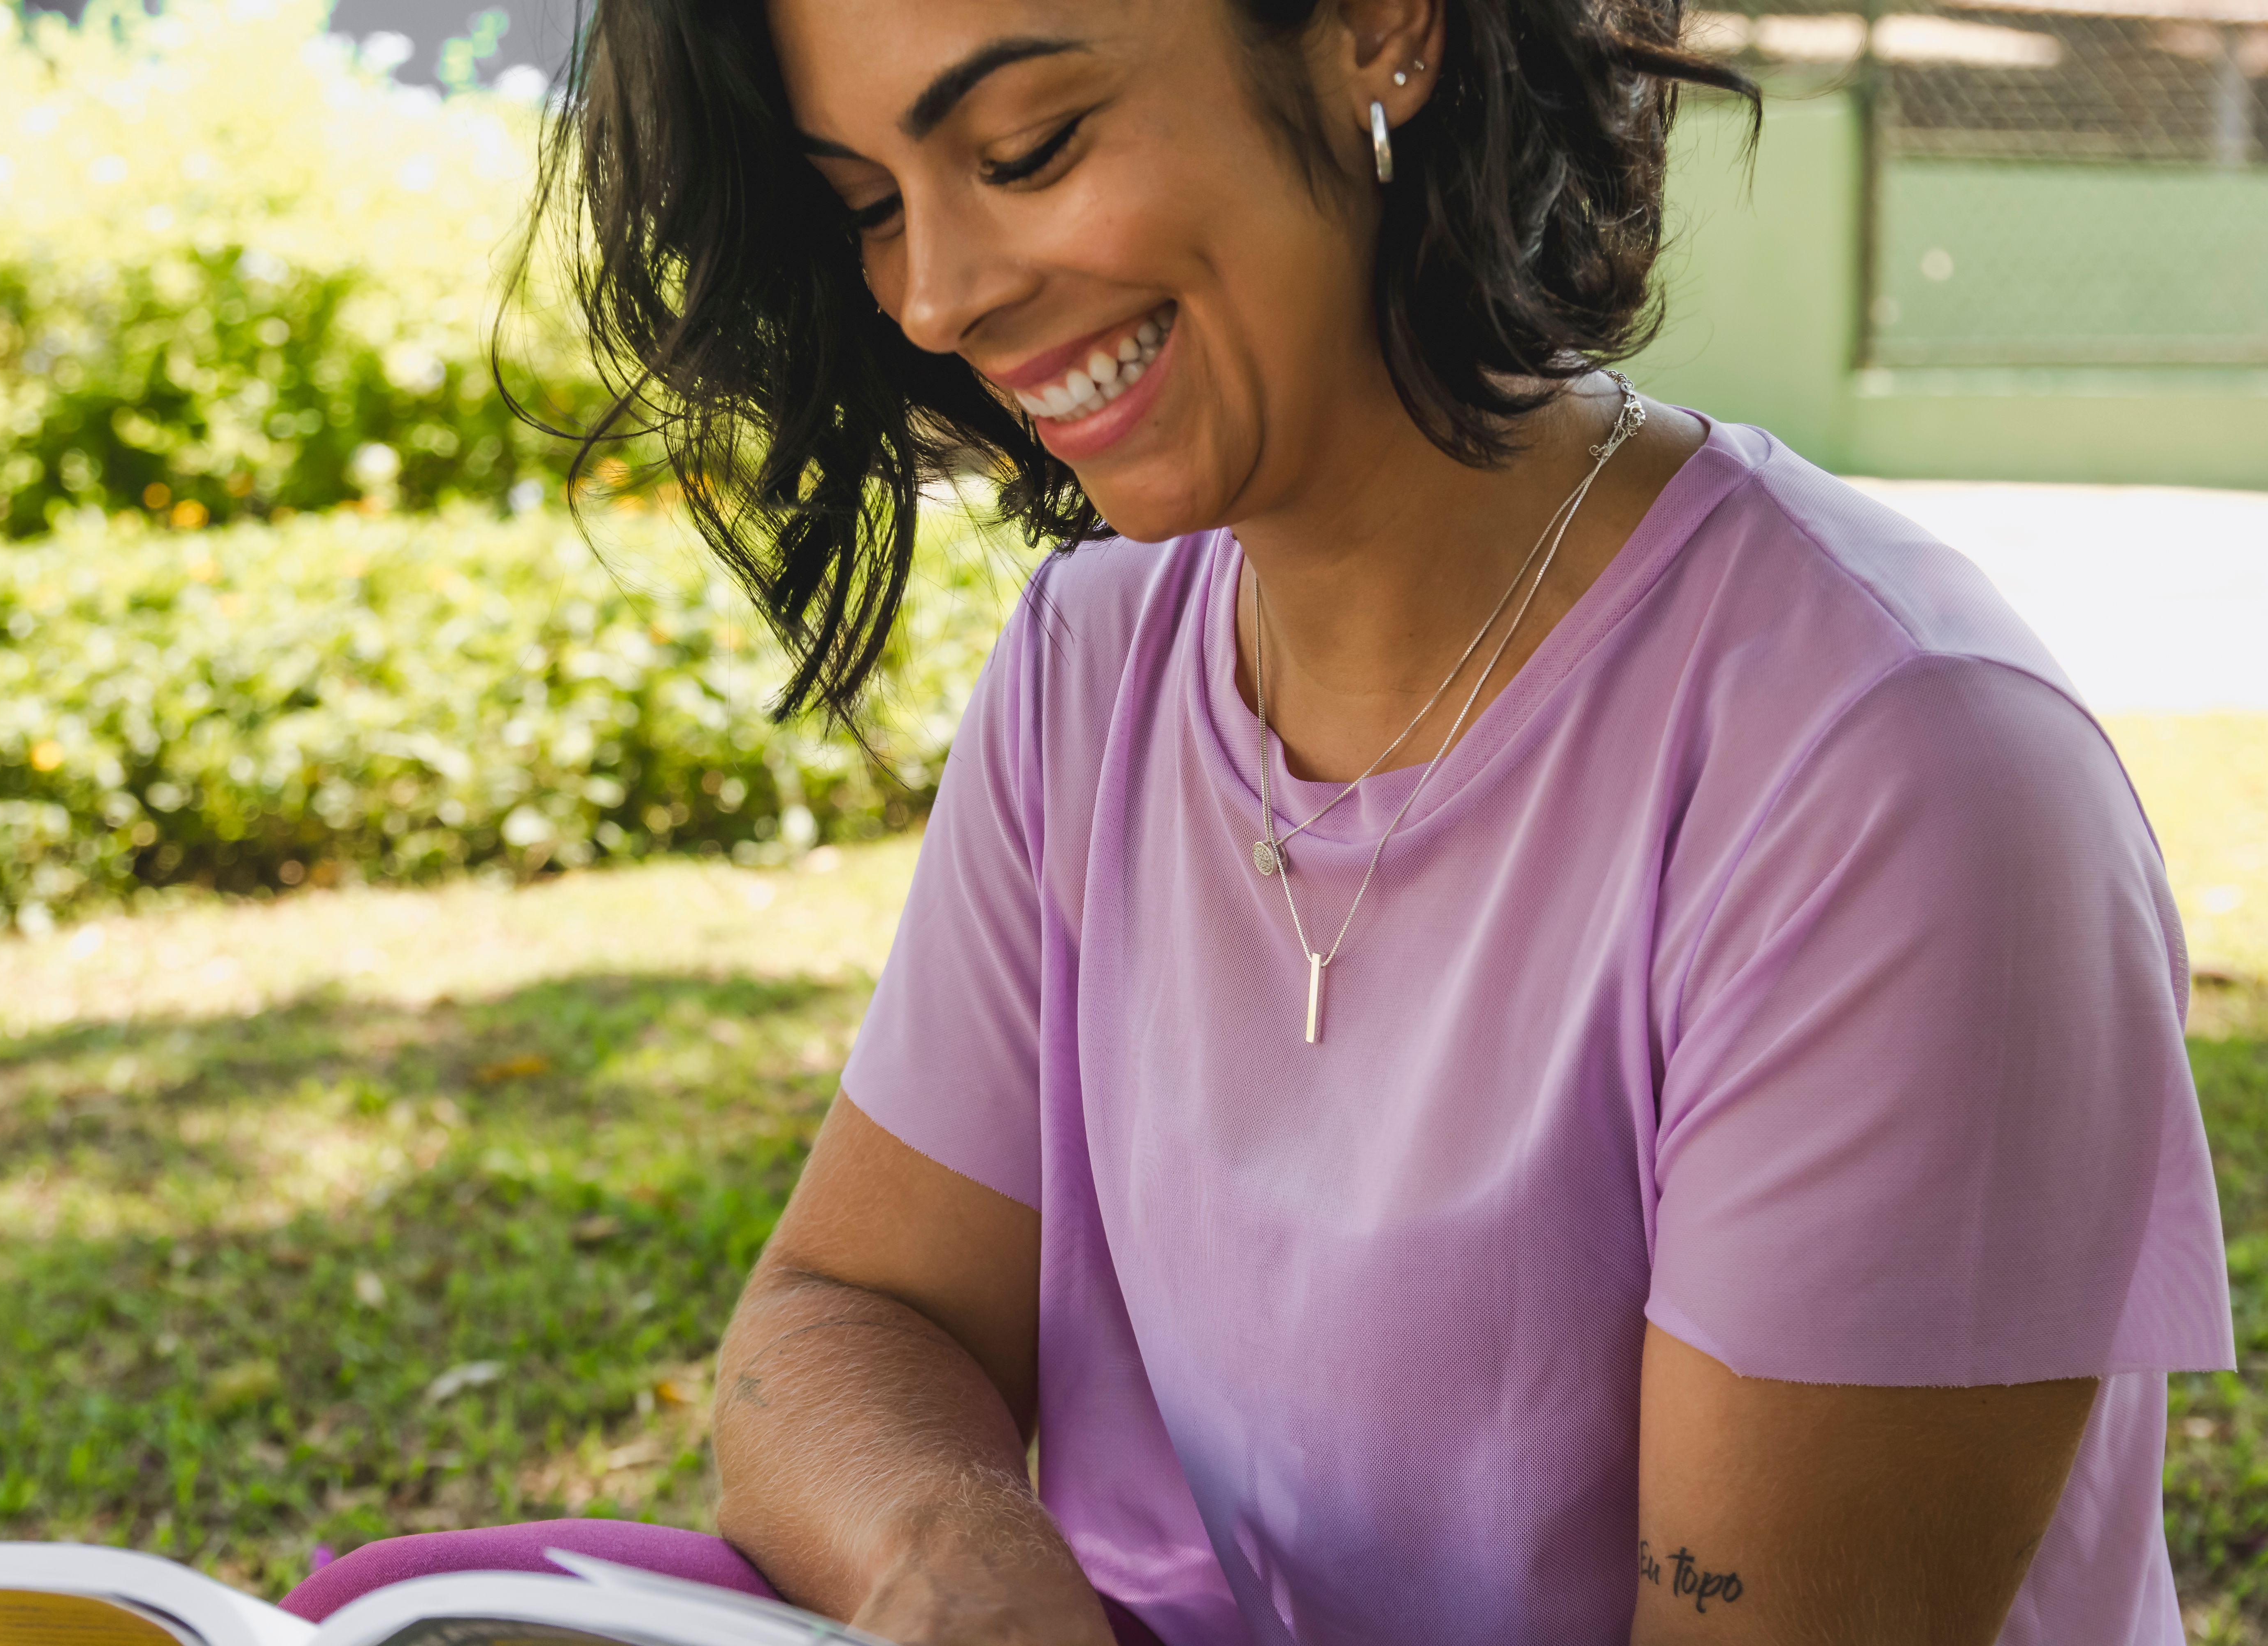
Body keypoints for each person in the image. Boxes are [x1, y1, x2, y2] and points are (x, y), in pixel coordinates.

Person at [282, 0, 2235, 1641]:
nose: (940, 294)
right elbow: (842, 1312)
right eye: (870, 205)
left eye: (1028, 146)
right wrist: (955, 1552)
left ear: (1380, 23)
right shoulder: (1093, 666)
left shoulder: (1890, 770)